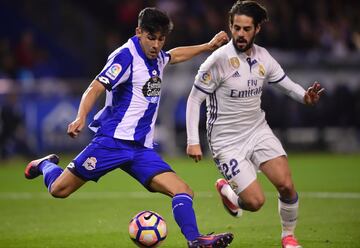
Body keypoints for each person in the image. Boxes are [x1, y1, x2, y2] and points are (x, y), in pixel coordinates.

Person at [24, 7, 234, 248]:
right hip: (111, 143)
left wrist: (208, 46)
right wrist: (80, 117)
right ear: (138, 32)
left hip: (140, 149)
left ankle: (196, 241)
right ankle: (45, 165)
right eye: (151, 37)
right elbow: (95, 87)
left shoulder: (158, 58)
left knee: (183, 190)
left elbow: (174, 55)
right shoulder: (125, 56)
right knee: (59, 190)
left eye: (161, 39)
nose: (156, 45)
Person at [185, 1, 324, 248]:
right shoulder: (218, 61)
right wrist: (193, 141)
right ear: (230, 26)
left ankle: (288, 237)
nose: (240, 33)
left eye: (246, 29)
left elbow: (286, 84)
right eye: (236, 28)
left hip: (257, 130)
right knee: (255, 203)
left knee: (286, 185)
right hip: (225, 140)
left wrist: (304, 96)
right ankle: (230, 193)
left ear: (257, 29)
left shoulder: (263, 57)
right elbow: (195, 99)